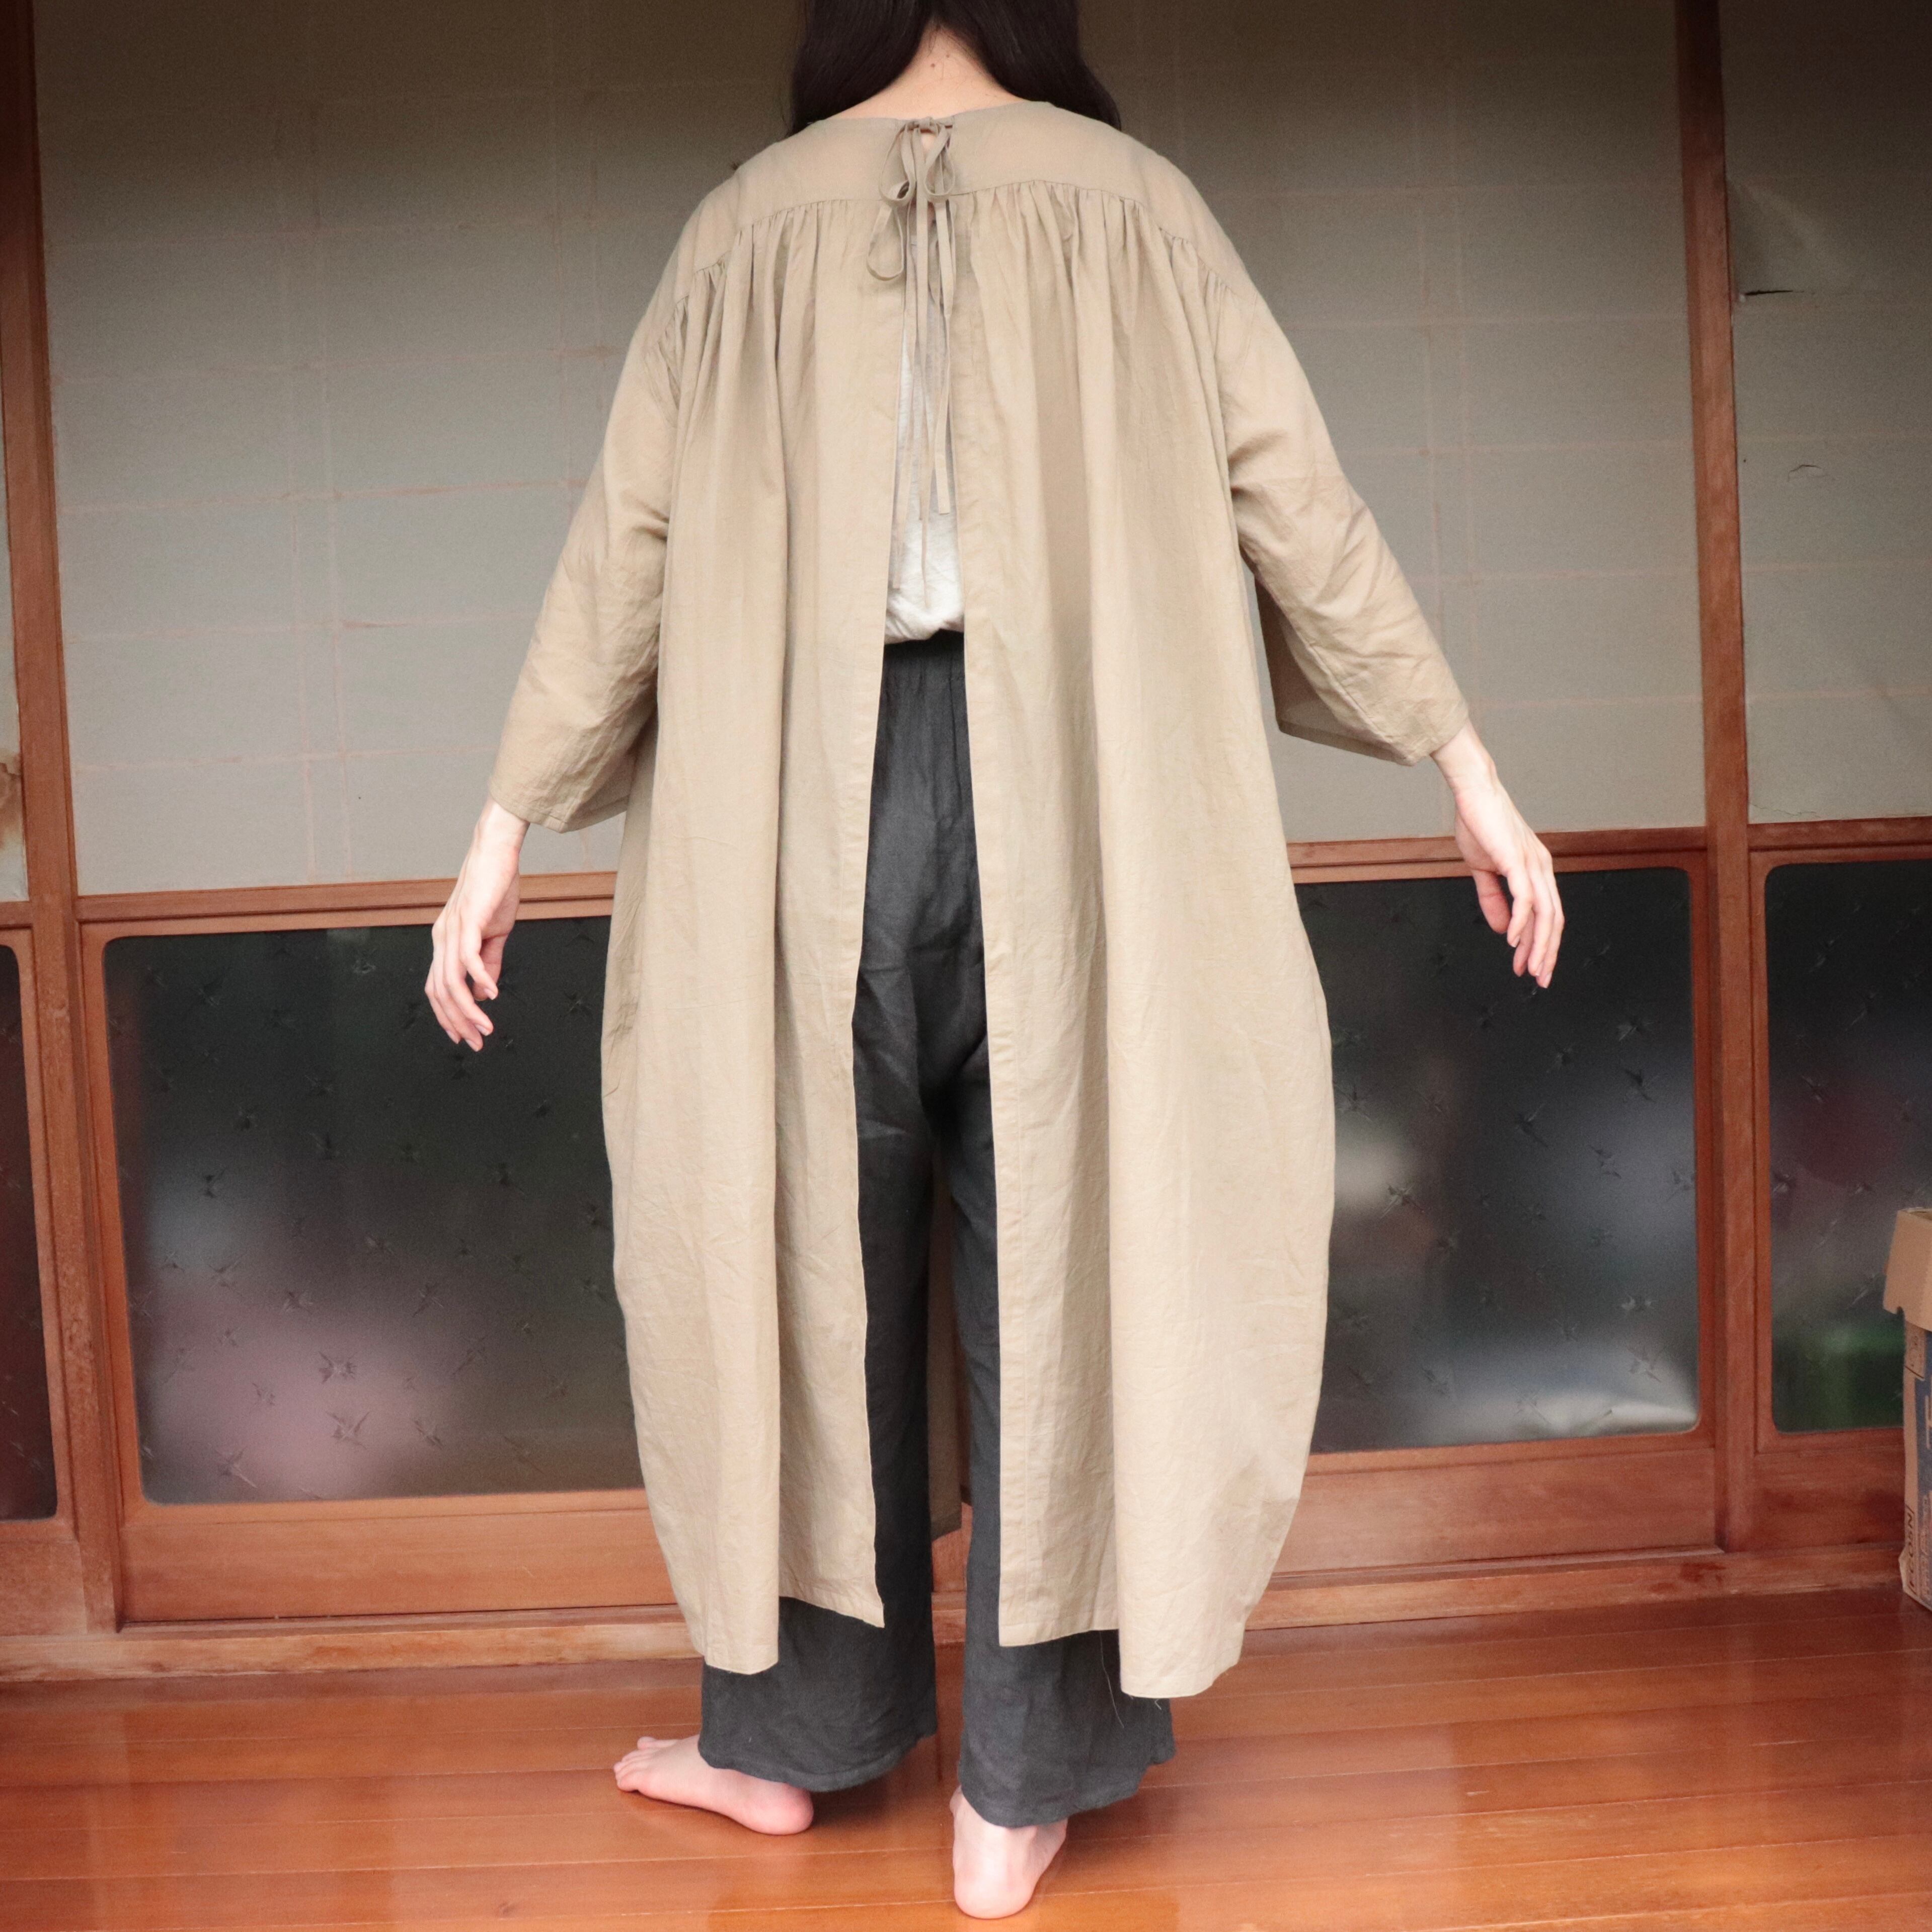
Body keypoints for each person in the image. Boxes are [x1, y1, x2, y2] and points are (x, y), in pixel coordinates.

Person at [427, 2, 1563, 1918]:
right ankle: (1015, 1792)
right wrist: (1472, 772)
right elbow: (1302, 504)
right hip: (1080, 800)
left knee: (798, 1268)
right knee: (1071, 1266)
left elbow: (626, 545)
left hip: (800, 811)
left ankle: (784, 1746)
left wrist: (500, 833)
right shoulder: (1138, 205)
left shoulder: (746, 223)